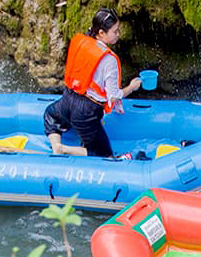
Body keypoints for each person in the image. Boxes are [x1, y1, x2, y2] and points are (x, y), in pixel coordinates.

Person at [44, 9, 143, 159]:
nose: (118, 34)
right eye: (115, 31)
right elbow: (114, 96)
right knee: (102, 154)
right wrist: (132, 87)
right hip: (86, 111)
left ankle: (55, 144)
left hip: (68, 98)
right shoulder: (109, 60)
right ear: (101, 33)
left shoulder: (82, 43)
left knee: (50, 114)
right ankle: (62, 149)